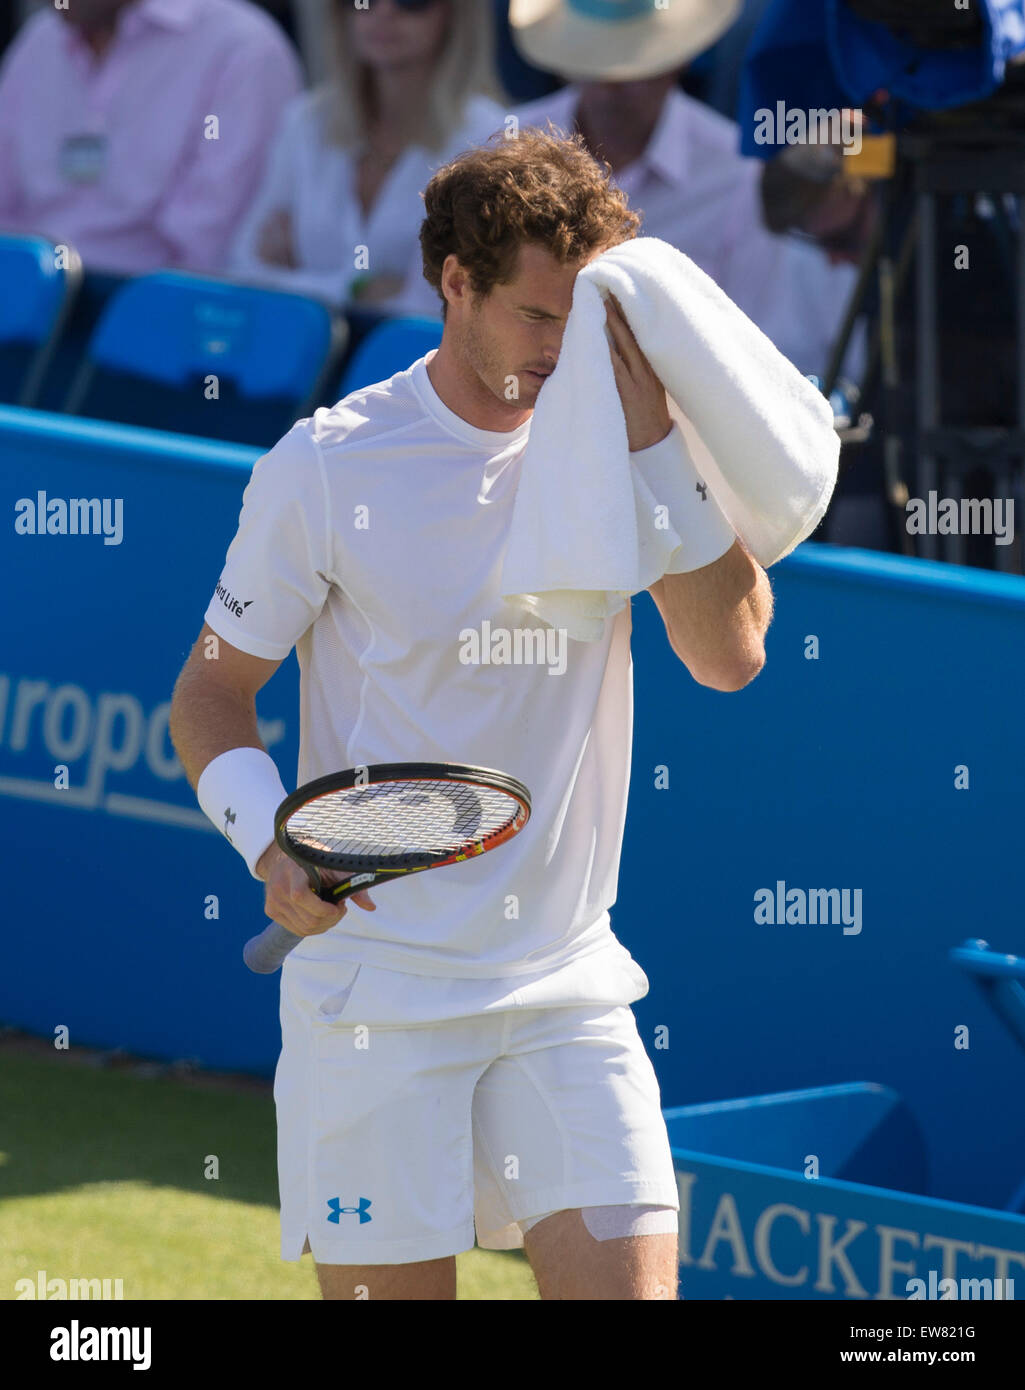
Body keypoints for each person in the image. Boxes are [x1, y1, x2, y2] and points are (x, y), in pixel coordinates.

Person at [169, 127, 773, 1301]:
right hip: (372, 1005)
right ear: (455, 284)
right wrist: (269, 840)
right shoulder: (328, 465)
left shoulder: (630, 442)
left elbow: (731, 656)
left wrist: (652, 445)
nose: (562, 351)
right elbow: (209, 689)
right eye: (538, 318)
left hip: (568, 989)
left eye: (584, 322)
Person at [487, 0, 861, 381]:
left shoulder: (737, 175)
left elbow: (756, 350)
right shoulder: (501, 153)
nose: (614, 82)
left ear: (679, 59)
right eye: (598, 56)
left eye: (633, 57)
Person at [226, 0, 506, 311]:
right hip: (298, 352)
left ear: (456, 13)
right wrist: (359, 289)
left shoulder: (489, 139)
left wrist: (297, 280)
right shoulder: (306, 121)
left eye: (411, 2)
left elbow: (441, 304)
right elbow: (241, 270)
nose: (384, 13)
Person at [0, 0, 302, 275]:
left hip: (160, 313)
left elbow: (207, 254)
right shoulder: (39, 41)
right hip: (27, 298)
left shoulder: (241, 48)